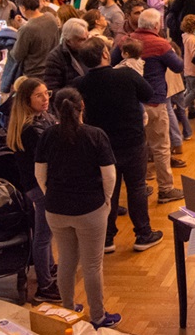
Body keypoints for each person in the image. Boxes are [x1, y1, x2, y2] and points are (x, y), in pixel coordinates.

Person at [34, 87, 121, 329]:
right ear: (82, 106)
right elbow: (109, 175)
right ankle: (99, 316)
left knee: (66, 260)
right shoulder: (96, 135)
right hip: (90, 209)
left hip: (55, 209)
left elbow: (39, 174)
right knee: (93, 264)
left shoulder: (47, 136)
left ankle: (68, 309)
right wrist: (107, 199)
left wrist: (50, 194)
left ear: (55, 109)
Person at [70, 38, 163, 253]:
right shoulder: (126, 75)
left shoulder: (80, 84)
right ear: (105, 54)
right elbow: (149, 94)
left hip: (100, 146)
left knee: (108, 191)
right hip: (132, 141)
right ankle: (143, 233)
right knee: (137, 187)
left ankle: (107, 238)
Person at [124, 8, 187, 202]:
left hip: (131, 104)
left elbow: (112, 62)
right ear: (157, 25)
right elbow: (178, 66)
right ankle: (166, 189)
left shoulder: (125, 41)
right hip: (155, 101)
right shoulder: (160, 44)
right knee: (161, 146)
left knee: (137, 146)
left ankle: (139, 187)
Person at [7, 76, 58, 302]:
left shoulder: (37, 120)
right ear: (27, 100)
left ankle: (49, 268)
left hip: (37, 185)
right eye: (39, 95)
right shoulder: (31, 129)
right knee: (43, 235)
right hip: (39, 187)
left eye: (47, 93)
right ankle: (45, 286)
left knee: (45, 233)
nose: (45, 98)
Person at [0, 0, 60, 94]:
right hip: (52, 70)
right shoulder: (51, 18)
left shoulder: (26, 29)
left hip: (34, 74)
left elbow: (17, 55)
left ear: (23, 8)